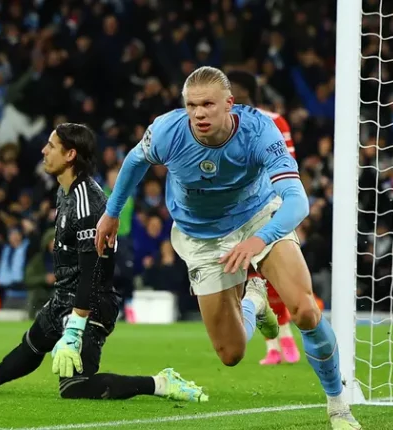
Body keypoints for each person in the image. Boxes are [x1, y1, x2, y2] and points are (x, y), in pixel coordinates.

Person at [96, 67, 360, 429]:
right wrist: (111, 213)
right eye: (192, 105)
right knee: (231, 353)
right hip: (201, 235)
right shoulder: (167, 131)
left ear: (229, 104)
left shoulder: (260, 131)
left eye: (208, 104)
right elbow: (133, 162)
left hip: (257, 218)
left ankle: (338, 406)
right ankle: (255, 302)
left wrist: (260, 239)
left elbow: (297, 201)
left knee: (304, 310)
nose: (199, 113)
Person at [0, 123, 207, 402]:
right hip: (66, 297)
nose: (44, 150)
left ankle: (160, 383)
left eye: (51, 146)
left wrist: (75, 327)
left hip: (91, 304)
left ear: (70, 155)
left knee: (75, 387)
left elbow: (92, 269)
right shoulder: (66, 191)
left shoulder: (86, 201)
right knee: (33, 344)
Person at [227, 70, 301, 366]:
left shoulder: (274, 120)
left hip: (271, 206)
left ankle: (286, 333)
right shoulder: (222, 124)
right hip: (236, 212)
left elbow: (288, 163)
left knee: (274, 274)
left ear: (245, 90)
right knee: (248, 278)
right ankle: (272, 345)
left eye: (232, 87)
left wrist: (285, 205)